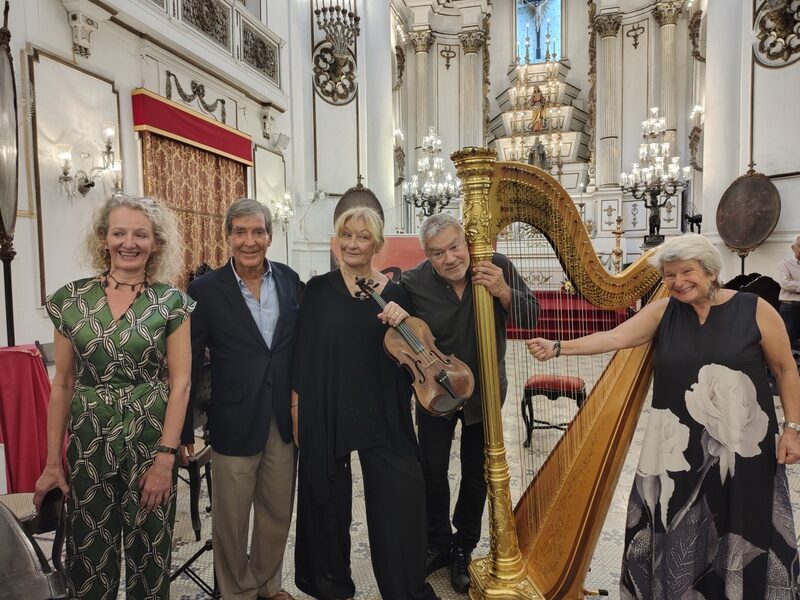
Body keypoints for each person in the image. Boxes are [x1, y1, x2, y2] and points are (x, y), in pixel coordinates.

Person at [527, 233, 800, 599]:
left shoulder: (755, 309)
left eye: (687, 271)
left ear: (711, 271)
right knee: (678, 521)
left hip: (741, 446)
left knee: (741, 523)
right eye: (669, 275)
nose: (678, 281)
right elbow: (613, 338)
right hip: (677, 450)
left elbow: (785, 369)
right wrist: (559, 347)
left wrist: (792, 429)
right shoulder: (663, 312)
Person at [33, 194, 194, 598]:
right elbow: (63, 383)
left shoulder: (171, 302)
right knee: (88, 560)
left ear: (156, 242)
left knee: (150, 557)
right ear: (104, 238)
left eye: (141, 234)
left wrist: (165, 459)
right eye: (119, 233)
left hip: (150, 443)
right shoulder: (71, 300)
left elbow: (181, 384)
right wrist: (52, 462)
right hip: (89, 446)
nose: (129, 243)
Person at [292, 206, 438, 600]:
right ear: (337, 240)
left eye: (363, 236)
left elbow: (417, 354)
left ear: (377, 244)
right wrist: (296, 409)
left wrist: (404, 321)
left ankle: (404, 588)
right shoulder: (317, 289)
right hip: (327, 404)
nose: (353, 243)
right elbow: (302, 353)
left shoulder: (397, 294)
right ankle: (330, 585)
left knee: (400, 493)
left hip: (383, 405)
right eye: (346, 235)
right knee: (325, 494)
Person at [400, 213, 539, 593]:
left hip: (486, 391)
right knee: (431, 469)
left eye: (454, 247)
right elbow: (396, 328)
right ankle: (438, 542)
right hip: (435, 392)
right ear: (427, 255)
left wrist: (504, 292)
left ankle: (463, 546)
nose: (449, 258)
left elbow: (532, 316)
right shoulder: (413, 283)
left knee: (476, 472)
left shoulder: (497, 265)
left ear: (466, 241)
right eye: (437, 253)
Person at [182, 198, 301, 600]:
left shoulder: (289, 279)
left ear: (270, 235)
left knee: (276, 512)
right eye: (240, 232)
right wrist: (184, 431)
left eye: (258, 232)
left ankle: (267, 585)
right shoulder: (204, 290)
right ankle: (237, 593)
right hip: (233, 419)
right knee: (232, 519)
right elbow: (190, 362)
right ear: (228, 237)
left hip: (281, 418)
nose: (250, 241)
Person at [777, 234, 800, 350]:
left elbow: (791, 284)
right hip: (790, 307)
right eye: (799, 246)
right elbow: (786, 284)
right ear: (793, 248)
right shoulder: (784, 264)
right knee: (787, 342)